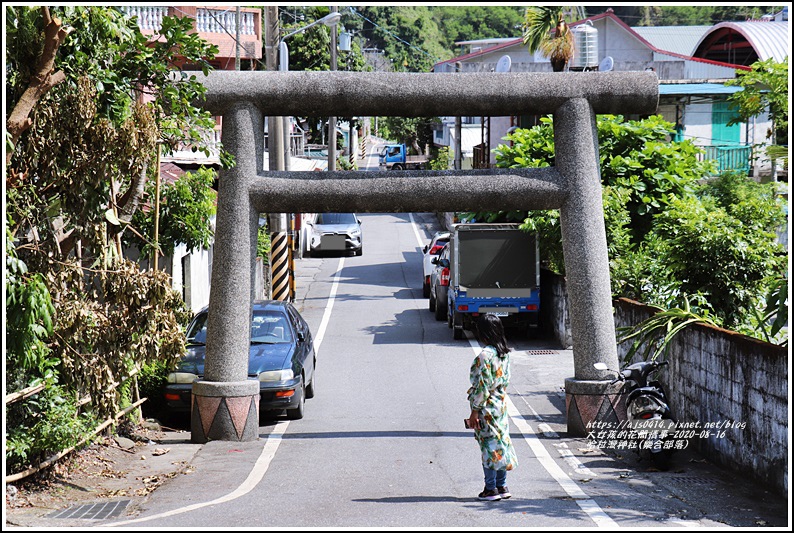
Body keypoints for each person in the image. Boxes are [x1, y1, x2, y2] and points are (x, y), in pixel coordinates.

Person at [466, 313, 517, 501]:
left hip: (486, 407)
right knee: (501, 443)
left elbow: (482, 387)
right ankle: (502, 485)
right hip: (500, 404)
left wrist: (474, 411)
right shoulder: (504, 353)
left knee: (488, 445)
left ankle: (490, 489)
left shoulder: (484, 356)